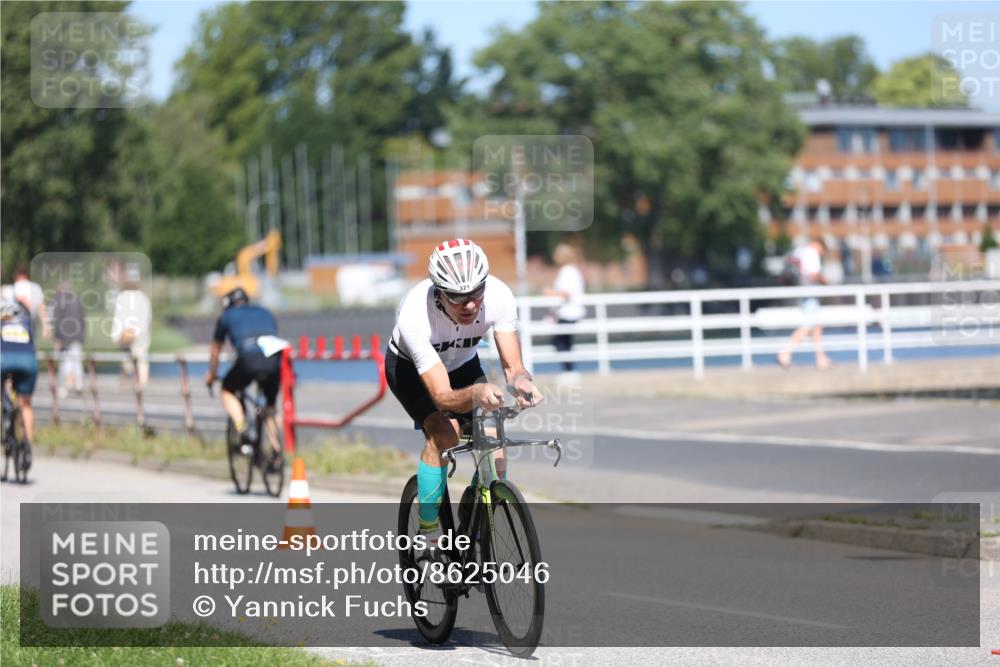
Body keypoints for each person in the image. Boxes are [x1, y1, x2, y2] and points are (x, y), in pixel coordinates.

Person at [386, 239, 543, 546]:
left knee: (495, 448)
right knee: (445, 433)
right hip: (410, 370)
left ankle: (474, 521)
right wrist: (477, 393)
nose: (470, 305)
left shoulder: (499, 295)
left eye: (476, 293)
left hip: (462, 364)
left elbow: (514, 368)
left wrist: (522, 382)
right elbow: (442, 396)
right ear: (439, 293)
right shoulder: (415, 313)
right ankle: (429, 534)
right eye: (458, 298)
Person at [204, 287, 284, 462]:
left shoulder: (227, 315)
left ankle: (242, 429)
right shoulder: (264, 311)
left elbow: (215, 350)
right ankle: (277, 453)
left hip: (248, 360)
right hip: (274, 360)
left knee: (227, 389)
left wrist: (212, 374)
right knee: (270, 406)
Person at [777, 238, 832, 370]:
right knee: (808, 325)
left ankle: (821, 358)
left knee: (816, 326)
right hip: (810, 291)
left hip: (803, 289)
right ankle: (785, 353)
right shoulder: (812, 253)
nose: (821, 254)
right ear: (820, 246)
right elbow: (813, 275)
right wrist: (824, 280)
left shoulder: (800, 251)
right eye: (822, 251)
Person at [1, 299, 37, 468]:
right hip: (28, 362)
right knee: (26, 404)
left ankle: (6, 419)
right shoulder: (26, 323)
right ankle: (28, 445)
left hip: (4, 361)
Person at [543, 243, 586, 373]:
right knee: (564, 342)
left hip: (568, 313)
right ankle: (569, 369)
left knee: (561, 342)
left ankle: (569, 370)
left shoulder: (567, 271)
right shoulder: (572, 270)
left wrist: (550, 292)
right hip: (569, 312)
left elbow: (567, 293)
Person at [111, 280, 152, 387]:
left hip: (130, 335)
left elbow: (118, 318)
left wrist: (118, 336)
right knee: (138, 360)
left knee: (131, 360)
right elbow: (146, 319)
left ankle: (133, 382)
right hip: (135, 335)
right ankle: (139, 383)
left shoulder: (123, 297)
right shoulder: (142, 298)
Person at [52, 282, 85, 397]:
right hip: (77, 335)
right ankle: (79, 383)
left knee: (65, 362)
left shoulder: (58, 301)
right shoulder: (77, 300)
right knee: (76, 361)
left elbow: (57, 320)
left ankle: (65, 387)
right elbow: (82, 318)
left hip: (64, 336)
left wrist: (57, 337)